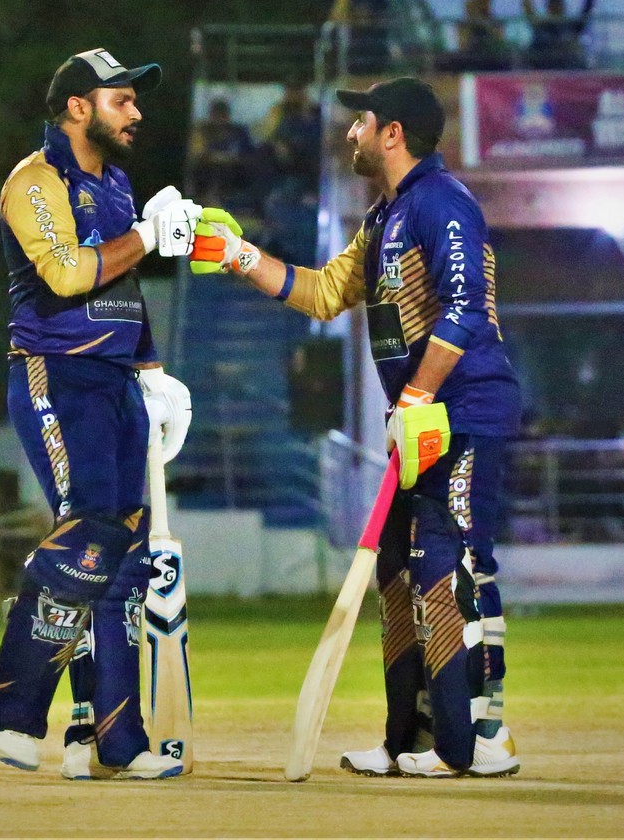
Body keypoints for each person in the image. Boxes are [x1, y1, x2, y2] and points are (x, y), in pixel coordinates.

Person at [190, 76, 522, 779]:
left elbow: (465, 308)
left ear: (393, 133)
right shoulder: (383, 217)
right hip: (420, 421)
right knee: (399, 574)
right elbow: (321, 294)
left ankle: (480, 736)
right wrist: (237, 254)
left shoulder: (442, 202)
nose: (350, 132)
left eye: (361, 120)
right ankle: (409, 738)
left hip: (464, 413)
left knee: (454, 565)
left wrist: (419, 394)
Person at [0, 47, 204, 781]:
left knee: (124, 560)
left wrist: (154, 373)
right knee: (91, 533)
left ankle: (116, 741)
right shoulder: (34, 180)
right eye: (121, 100)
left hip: (116, 381)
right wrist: (149, 237)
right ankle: (12, 711)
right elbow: (70, 273)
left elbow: (122, 288)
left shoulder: (115, 182)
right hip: (56, 375)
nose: (136, 112)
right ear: (78, 107)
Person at [520, 0, 606, 70]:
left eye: (558, 4)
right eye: (553, 4)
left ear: (564, 7)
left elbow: (587, 8)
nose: (556, 8)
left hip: (570, 73)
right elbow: (527, 6)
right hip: (544, 72)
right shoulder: (541, 25)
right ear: (548, 7)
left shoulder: (571, 26)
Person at [436, 0, 514, 72]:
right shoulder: (464, 24)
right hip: (471, 58)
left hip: (492, 58)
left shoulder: (496, 23)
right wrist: (472, 18)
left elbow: (499, 42)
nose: (484, 5)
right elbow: (462, 45)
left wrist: (484, 23)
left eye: (486, 2)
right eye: (481, 2)